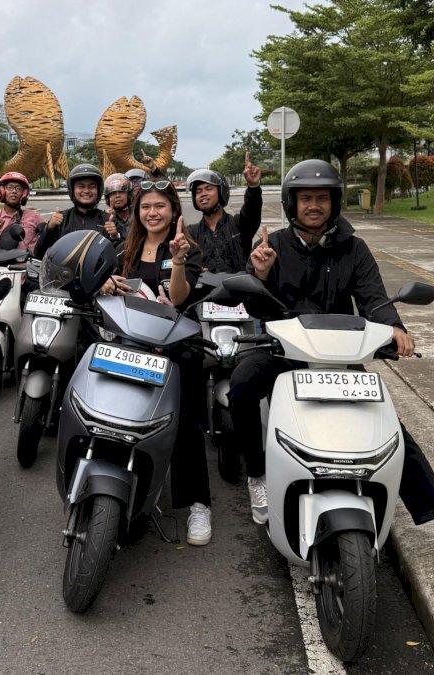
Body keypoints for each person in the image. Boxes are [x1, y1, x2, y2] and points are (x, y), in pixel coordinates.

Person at [232, 159, 434, 583]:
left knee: (393, 435)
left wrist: (397, 329)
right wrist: (257, 274)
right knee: (240, 386)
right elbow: (256, 307)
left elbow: (375, 298)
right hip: (283, 352)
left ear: (334, 203)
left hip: (339, 358)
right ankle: (258, 474)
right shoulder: (272, 244)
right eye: (306, 198)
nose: (313, 205)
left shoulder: (355, 248)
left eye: (322, 198)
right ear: (292, 202)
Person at [99, 180, 213, 546]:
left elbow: (179, 297)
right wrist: (105, 285)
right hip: (131, 347)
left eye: (160, 206)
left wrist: (178, 261)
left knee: (185, 426)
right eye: (145, 206)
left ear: (174, 210)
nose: (152, 212)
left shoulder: (186, 250)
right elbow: (103, 290)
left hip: (176, 349)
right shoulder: (123, 251)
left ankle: (198, 504)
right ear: (137, 212)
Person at [185, 153, 263, 274]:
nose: (203, 194)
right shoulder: (191, 233)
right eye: (198, 191)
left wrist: (253, 187)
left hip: (238, 289)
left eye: (208, 188)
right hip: (205, 291)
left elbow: (252, 209)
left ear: (221, 192)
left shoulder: (239, 225)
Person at [33, 163, 113, 260]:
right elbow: (38, 255)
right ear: (72, 189)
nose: (86, 191)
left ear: (98, 190)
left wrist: (115, 236)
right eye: (81, 186)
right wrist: (49, 228)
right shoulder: (61, 219)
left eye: (92, 186)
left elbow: (119, 258)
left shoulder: (108, 220)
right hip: (64, 273)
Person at [0, 171, 45, 252]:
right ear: (2, 191)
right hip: (3, 262)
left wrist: (51, 225)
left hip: (29, 262)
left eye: (19, 188)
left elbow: (47, 238)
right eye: (9, 187)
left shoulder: (35, 216)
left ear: (23, 194)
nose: (14, 191)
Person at [103, 172, 133, 239]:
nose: (117, 196)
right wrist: (115, 236)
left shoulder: (139, 215)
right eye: (113, 193)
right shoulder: (104, 219)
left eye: (121, 191)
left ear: (128, 194)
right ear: (108, 198)